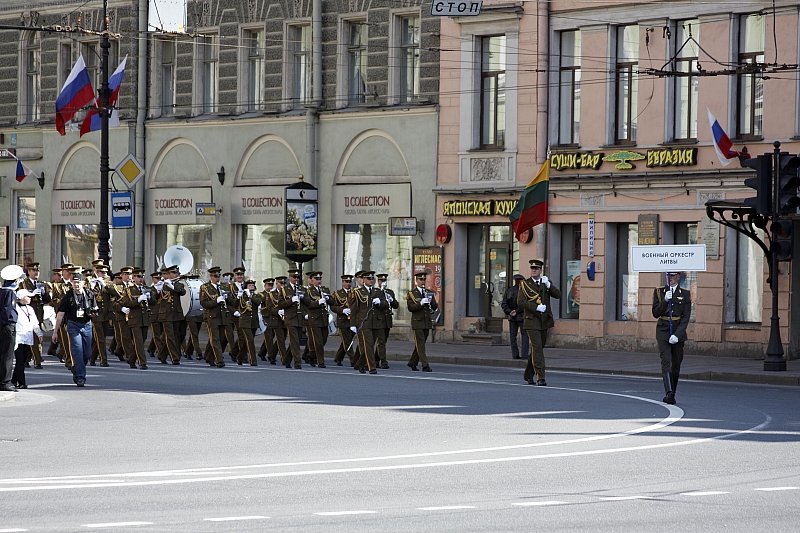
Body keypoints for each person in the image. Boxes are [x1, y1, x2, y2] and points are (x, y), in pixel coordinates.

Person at [517, 259, 561, 386]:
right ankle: (540, 376)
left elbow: (558, 295)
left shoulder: (545, 283)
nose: (533, 270)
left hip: (544, 321)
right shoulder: (524, 284)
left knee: (538, 349)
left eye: (536, 268)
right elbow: (521, 302)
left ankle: (528, 374)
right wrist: (535, 307)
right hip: (531, 321)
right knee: (537, 349)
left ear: (540, 270)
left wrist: (549, 286)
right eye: (532, 268)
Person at [651, 271, 691, 405]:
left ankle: (673, 392)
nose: (670, 279)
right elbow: (655, 313)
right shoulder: (659, 292)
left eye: (673, 276)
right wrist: (664, 301)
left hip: (677, 332)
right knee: (666, 362)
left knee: (676, 364)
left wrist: (677, 335)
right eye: (668, 276)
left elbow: (685, 318)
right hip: (663, 330)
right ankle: (668, 392)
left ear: (678, 277)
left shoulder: (685, 294)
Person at [53, 272, 98, 387]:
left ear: (83, 283)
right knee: (77, 350)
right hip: (73, 325)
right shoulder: (68, 295)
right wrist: (55, 332)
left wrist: (93, 314)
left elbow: (95, 308)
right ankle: (80, 377)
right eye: (74, 282)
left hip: (87, 325)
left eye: (78, 282)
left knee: (87, 353)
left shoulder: (89, 294)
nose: (76, 285)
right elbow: (60, 314)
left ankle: (76, 368)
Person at [349, 271, 387, 374]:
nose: (371, 280)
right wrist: (352, 324)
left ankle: (360, 364)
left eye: (372, 279)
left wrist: (380, 302)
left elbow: (386, 305)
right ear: (364, 280)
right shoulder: (357, 292)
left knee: (370, 344)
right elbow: (354, 309)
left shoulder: (378, 291)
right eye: (368, 279)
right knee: (369, 345)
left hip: (376, 322)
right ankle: (371, 367)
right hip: (364, 323)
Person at [117, 268, 151, 370]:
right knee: (138, 341)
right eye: (139, 276)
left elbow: (153, 303)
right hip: (134, 319)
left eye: (142, 276)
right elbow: (126, 303)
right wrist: (138, 300)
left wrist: (150, 298)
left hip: (144, 319)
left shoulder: (146, 288)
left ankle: (132, 359)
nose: (141, 278)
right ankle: (142, 362)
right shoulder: (129, 290)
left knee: (143, 339)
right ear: (134, 277)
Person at [199, 266, 233, 368]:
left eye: (219, 276)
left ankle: (209, 357)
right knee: (215, 339)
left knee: (222, 338)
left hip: (223, 316)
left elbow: (232, 302)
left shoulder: (224, 287)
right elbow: (203, 303)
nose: (217, 278)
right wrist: (216, 301)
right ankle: (219, 360)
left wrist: (229, 297)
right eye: (215, 276)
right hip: (212, 316)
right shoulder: (205, 287)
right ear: (211, 276)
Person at [406, 272, 438, 372]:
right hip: (417, 322)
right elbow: (411, 308)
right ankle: (425, 365)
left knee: (420, 344)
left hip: (426, 322)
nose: (423, 282)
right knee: (421, 345)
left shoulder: (428, 292)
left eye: (424, 280)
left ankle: (412, 362)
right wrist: (421, 303)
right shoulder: (411, 293)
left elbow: (434, 307)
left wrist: (431, 299)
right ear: (417, 281)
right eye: (421, 280)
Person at [20, 262, 49, 369]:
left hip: (39, 313)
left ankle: (26, 360)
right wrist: (31, 294)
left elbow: (47, 300)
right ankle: (37, 360)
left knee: (33, 337)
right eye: (34, 270)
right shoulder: (24, 283)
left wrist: (44, 293)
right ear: (29, 272)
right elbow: (21, 298)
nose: (36, 272)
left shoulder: (41, 283)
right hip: (28, 314)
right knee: (35, 338)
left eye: (37, 271)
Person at [12, 289, 43, 389]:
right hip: (18, 338)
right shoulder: (14, 308)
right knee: (20, 360)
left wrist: (39, 334)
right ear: (21, 298)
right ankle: (22, 382)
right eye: (28, 297)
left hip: (28, 337)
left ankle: (14, 379)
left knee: (24, 359)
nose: (30, 298)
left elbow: (35, 322)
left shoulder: (30, 308)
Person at [0, 265, 22, 392]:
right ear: (15, 280)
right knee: (7, 355)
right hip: (8, 327)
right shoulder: (10, 293)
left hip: (3, 326)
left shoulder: (2, 291)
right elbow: (8, 312)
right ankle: (5, 382)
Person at [301, 271, 329, 368]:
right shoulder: (307, 291)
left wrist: (328, 298)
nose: (318, 281)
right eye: (316, 279)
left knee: (324, 340)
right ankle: (320, 361)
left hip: (323, 319)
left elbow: (333, 302)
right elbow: (307, 304)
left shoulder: (324, 290)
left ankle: (310, 355)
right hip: (314, 319)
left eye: (319, 279)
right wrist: (318, 303)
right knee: (318, 342)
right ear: (311, 280)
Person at [501, 274, 529, 360]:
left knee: (513, 336)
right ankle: (524, 354)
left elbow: (504, 304)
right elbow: (524, 304)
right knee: (525, 335)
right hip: (522, 316)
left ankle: (515, 354)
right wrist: (517, 311)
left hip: (512, 317)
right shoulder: (524, 291)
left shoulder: (508, 291)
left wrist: (510, 312)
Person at [330, 274, 355, 366]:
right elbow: (332, 307)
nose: (348, 284)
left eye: (349, 282)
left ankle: (338, 358)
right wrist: (342, 310)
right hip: (342, 320)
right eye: (346, 282)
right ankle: (353, 360)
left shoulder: (354, 292)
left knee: (347, 340)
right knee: (348, 341)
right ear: (343, 282)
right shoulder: (337, 294)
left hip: (352, 320)